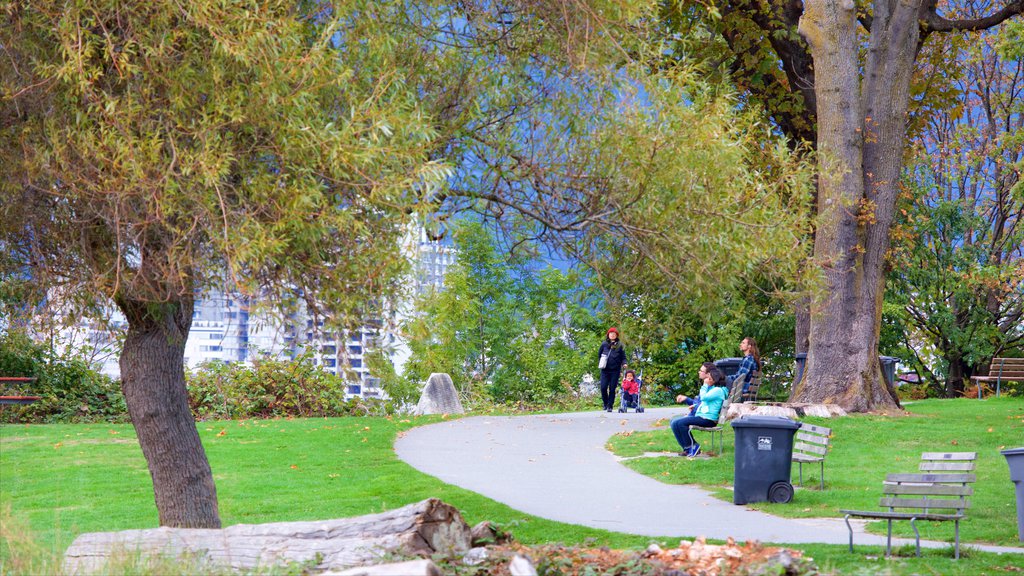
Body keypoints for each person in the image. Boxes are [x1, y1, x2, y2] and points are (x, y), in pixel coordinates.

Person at [670, 363, 728, 457]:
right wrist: (696, 406)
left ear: (714, 379)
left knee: (680, 423)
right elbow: (704, 402)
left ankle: (693, 446)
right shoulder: (715, 389)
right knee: (676, 422)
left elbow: (704, 398)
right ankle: (688, 448)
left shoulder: (717, 390)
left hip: (708, 419)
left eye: (709, 378)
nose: (707, 380)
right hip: (704, 416)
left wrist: (704, 385)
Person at [597, 327, 626, 412]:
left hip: (615, 370)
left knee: (612, 388)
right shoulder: (604, 344)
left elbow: (623, 357)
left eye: (614, 334)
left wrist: (624, 363)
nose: (612, 335)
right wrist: (602, 363)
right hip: (605, 370)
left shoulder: (620, 345)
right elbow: (599, 355)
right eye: (610, 333)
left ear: (616, 335)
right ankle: (605, 403)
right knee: (603, 387)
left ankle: (610, 405)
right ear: (608, 335)